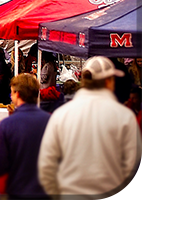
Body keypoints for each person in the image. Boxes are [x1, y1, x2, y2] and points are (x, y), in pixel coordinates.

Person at [37, 56, 142, 199]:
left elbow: (46, 166)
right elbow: (133, 167)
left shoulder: (61, 115)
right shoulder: (124, 117)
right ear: (109, 81)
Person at [0, 73, 51, 199]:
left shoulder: (7, 124)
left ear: (17, 94)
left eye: (11, 93)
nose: (11, 97)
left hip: (18, 190)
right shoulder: (51, 121)